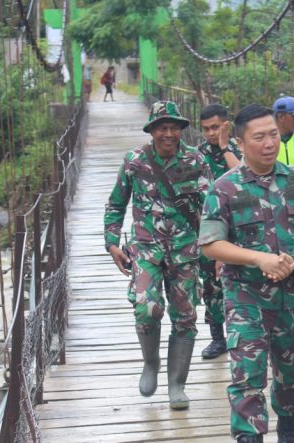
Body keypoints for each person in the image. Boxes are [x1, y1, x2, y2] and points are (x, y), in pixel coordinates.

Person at [198, 104, 294, 443]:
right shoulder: (225, 188)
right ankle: (250, 437)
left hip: (291, 299)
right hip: (246, 298)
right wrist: (258, 259)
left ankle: (289, 431)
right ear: (240, 142)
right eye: (259, 137)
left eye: (273, 135)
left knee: (292, 375)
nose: (269, 143)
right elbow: (211, 245)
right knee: (247, 376)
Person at [104, 101, 211, 410]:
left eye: (173, 127)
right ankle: (151, 362)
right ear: (151, 131)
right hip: (146, 249)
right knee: (146, 308)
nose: (168, 133)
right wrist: (112, 243)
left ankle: (177, 384)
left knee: (185, 317)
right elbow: (115, 203)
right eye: (161, 127)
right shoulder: (135, 161)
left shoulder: (196, 161)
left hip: (185, 251)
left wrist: (217, 247)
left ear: (180, 130)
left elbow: (214, 206)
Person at [197, 104, 242, 359]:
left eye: (215, 127)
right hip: (211, 228)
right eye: (206, 129)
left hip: (241, 227)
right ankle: (217, 338)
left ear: (226, 125)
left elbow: (245, 174)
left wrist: (225, 147)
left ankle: (245, 334)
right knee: (212, 286)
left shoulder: (240, 148)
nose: (210, 134)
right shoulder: (198, 154)